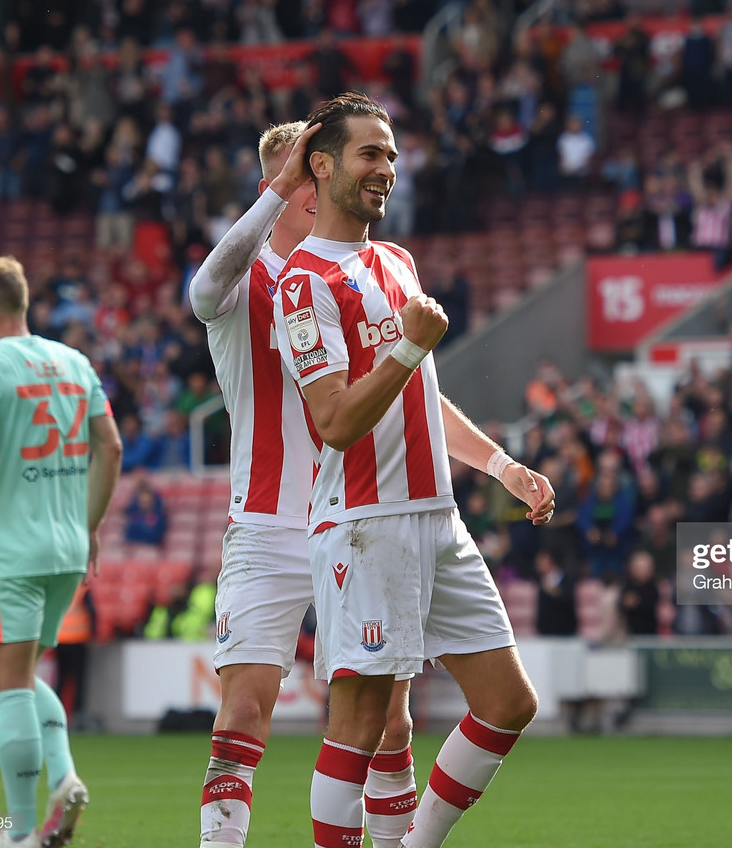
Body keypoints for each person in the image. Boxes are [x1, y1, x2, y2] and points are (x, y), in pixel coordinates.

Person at [274, 92, 555, 848]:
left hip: (438, 519)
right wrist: (407, 348)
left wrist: (500, 465)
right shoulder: (301, 284)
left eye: (393, 155)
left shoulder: (394, 260)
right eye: (370, 153)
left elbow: (422, 393)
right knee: (362, 724)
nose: (387, 169)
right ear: (323, 165)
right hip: (366, 526)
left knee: (508, 702)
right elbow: (334, 420)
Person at [187, 119, 417, 848]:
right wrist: (279, 186)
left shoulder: (353, 278)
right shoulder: (241, 283)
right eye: (298, 180)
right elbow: (204, 285)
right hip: (265, 526)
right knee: (243, 715)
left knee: (388, 721)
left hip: (357, 515)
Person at [0, 256, 123, 848]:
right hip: (67, 547)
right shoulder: (75, 362)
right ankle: (65, 776)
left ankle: (20, 833)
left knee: (10, 685)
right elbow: (112, 446)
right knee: (20, 673)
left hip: (11, 550)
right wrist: (91, 523)